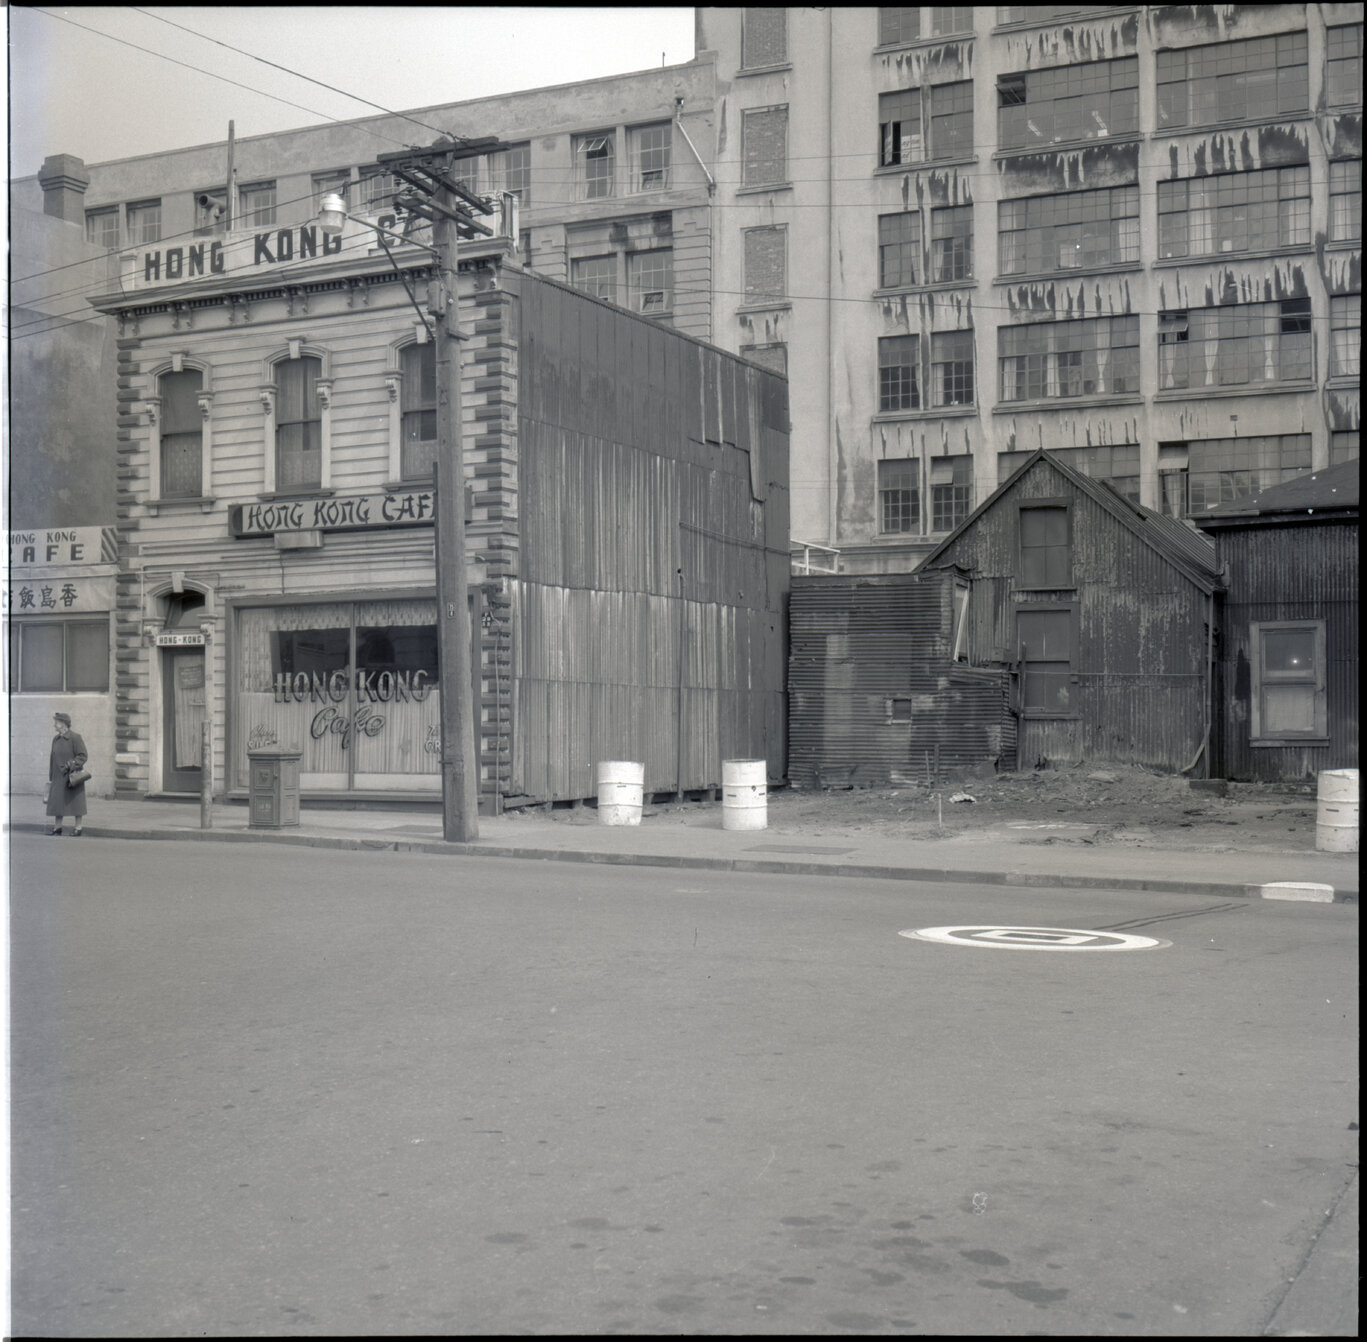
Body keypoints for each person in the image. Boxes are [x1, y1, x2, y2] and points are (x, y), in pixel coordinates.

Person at [47, 712, 89, 837]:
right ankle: (58, 827)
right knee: (57, 801)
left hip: (72, 776)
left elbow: (83, 756)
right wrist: (51, 775)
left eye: (56, 722)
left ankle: (78, 827)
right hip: (58, 776)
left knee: (76, 801)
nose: (54, 725)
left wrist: (72, 764)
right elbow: (52, 759)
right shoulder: (55, 739)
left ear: (64, 724)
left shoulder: (75, 737)